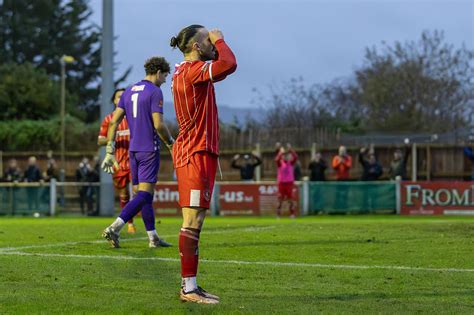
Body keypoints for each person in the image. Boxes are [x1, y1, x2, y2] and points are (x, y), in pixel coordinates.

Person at [170, 24, 237, 304]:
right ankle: (188, 288)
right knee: (192, 220)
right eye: (207, 41)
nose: (211, 44)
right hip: (194, 154)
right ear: (197, 46)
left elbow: (221, 69)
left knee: (196, 220)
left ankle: (191, 286)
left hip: (200, 152)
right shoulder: (192, 71)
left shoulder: (192, 73)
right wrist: (221, 41)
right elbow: (229, 63)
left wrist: (216, 46)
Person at [101, 56, 174, 249]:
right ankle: (115, 227)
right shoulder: (154, 91)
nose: (165, 80)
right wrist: (171, 143)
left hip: (133, 151)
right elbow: (158, 124)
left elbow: (114, 121)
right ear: (158, 72)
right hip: (149, 149)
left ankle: (153, 238)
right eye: (165, 76)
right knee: (144, 194)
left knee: (143, 196)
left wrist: (110, 148)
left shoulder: (129, 91)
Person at [98, 88, 136, 232]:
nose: (121, 99)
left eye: (124, 96)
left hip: (135, 160)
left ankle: (148, 226)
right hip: (117, 163)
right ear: (114, 100)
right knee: (124, 194)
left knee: (139, 192)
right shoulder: (109, 119)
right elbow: (100, 140)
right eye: (119, 97)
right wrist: (112, 138)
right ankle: (130, 223)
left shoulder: (134, 117)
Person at [275, 145, 298, 218]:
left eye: (287, 156)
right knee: (280, 199)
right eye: (284, 156)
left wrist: (291, 150)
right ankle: (278, 214)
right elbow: (276, 160)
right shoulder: (280, 163)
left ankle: (292, 214)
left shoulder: (290, 163)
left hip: (289, 183)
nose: (286, 157)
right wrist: (280, 152)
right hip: (281, 183)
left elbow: (296, 157)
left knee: (290, 199)